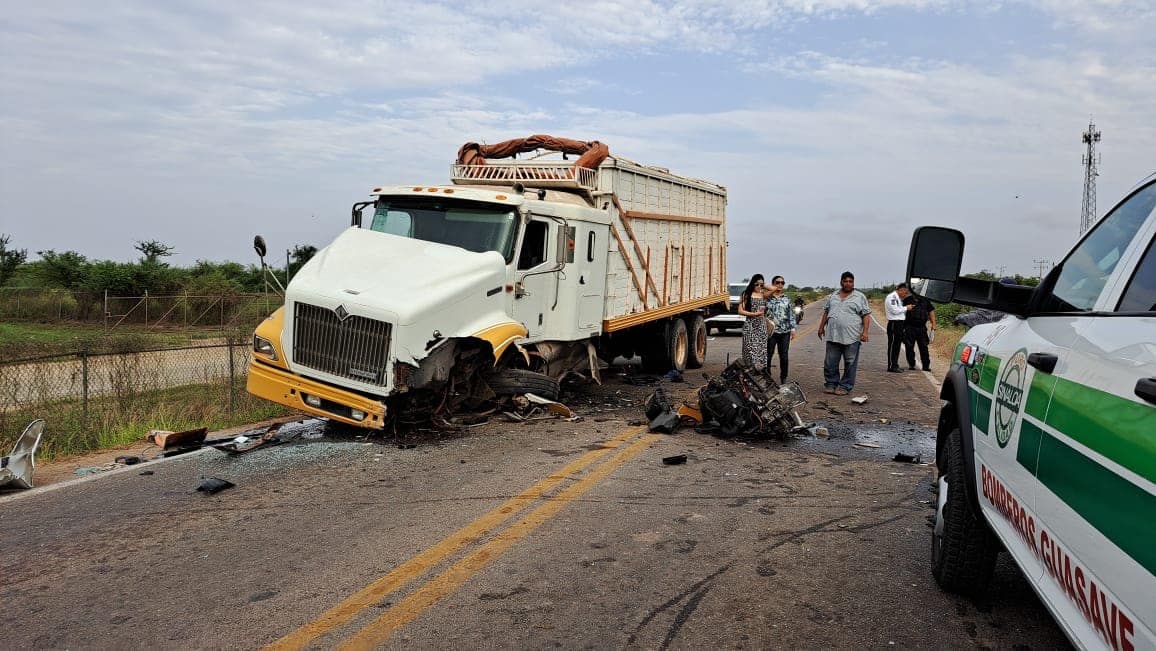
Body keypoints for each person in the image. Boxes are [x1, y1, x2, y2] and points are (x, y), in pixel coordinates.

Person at [817, 271, 871, 396]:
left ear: (853, 283)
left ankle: (845, 386)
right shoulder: (833, 295)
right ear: (841, 282)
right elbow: (826, 312)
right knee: (830, 362)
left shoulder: (859, 297)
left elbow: (866, 315)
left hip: (851, 336)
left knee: (850, 362)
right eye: (845, 281)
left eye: (850, 281)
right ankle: (831, 383)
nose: (848, 283)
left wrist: (865, 332)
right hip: (833, 335)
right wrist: (821, 328)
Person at [764, 275, 797, 383]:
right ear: (773, 284)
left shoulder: (786, 299)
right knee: (768, 356)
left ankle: (783, 379)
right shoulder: (766, 298)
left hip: (784, 332)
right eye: (777, 282)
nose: (780, 285)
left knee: (784, 357)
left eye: (782, 283)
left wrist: (793, 329)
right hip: (771, 332)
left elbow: (791, 315)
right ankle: (767, 378)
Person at [737, 275, 772, 369]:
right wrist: (754, 314)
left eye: (761, 285)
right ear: (752, 284)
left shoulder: (763, 294)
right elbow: (740, 311)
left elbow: (773, 289)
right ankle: (750, 370)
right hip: (750, 325)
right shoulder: (746, 294)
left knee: (761, 350)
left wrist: (763, 285)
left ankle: (759, 372)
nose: (759, 286)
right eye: (757, 284)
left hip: (761, 326)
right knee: (749, 349)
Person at [903, 290, 937, 371]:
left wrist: (934, 324)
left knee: (924, 347)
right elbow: (901, 311)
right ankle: (911, 364)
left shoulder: (925, 300)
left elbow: (931, 312)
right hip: (909, 327)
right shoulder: (907, 300)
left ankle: (926, 366)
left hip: (921, 328)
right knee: (909, 347)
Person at [884, 283, 911, 372]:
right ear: (901, 290)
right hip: (894, 324)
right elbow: (895, 311)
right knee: (893, 345)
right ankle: (892, 365)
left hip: (899, 324)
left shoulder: (897, 298)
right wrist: (906, 308)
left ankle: (895, 364)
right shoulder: (892, 297)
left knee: (897, 344)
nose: (905, 294)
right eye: (905, 292)